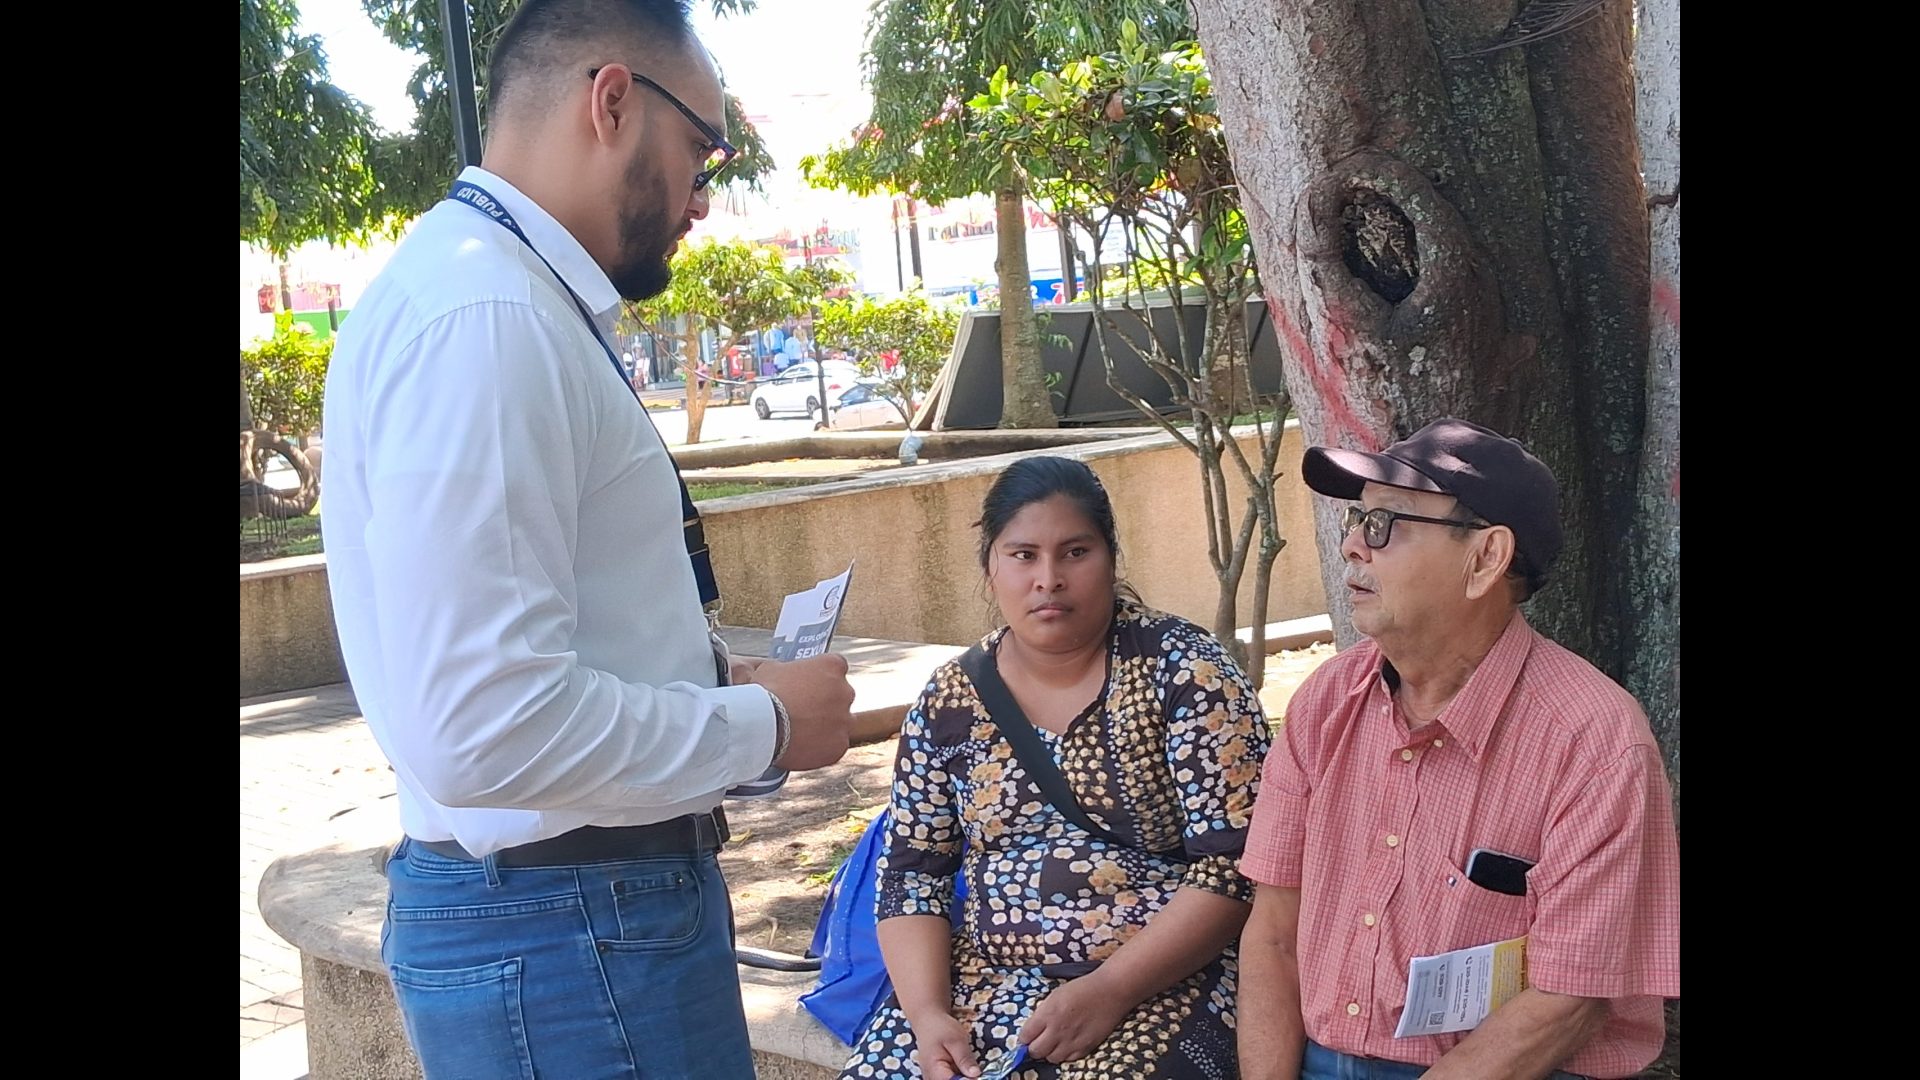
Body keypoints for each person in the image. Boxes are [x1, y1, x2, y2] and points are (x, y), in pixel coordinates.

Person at [318, 2, 856, 1076]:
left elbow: (517, 663)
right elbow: (483, 723)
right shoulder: (488, 316)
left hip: (571, 924)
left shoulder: (484, 292)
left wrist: (705, 679)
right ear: (612, 101)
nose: (703, 197)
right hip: (573, 933)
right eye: (703, 148)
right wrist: (759, 726)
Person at [1235, 419, 1680, 1080]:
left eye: (1385, 524)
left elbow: (1569, 1001)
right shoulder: (1326, 701)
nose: (1352, 545)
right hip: (1316, 1058)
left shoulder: (1595, 743)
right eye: (1357, 519)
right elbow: (1274, 934)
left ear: (1486, 558)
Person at [841, 456, 1270, 1080]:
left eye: (1075, 552)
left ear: (1111, 559)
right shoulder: (950, 700)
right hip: (985, 985)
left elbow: (1235, 868)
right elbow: (913, 877)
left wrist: (1111, 990)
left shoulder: (1184, 670)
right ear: (990, 567)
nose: (1049, 579)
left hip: (1167, 981)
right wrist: (928, 1016)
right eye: (1023, 555)